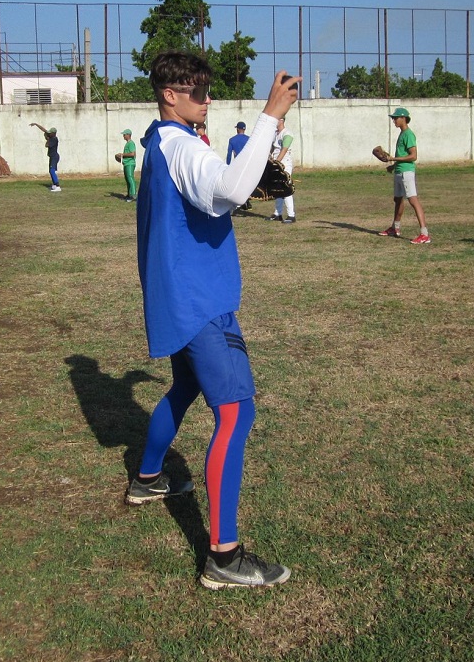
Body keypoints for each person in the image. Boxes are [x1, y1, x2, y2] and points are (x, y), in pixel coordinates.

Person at [127, 49, 299, 590]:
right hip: (201, 301)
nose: (207, 99)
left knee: (183, 387)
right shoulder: (179, 146)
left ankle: (148, 478)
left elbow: (219, 194)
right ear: (169, 95)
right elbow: (226, 190)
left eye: (208, 90)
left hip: (177, 295)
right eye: (197, 91)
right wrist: (270, 114)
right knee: (236, 413)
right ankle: (223, 556)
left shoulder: (159, 141)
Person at [376, 107, 431, 244]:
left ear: (403, 118)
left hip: (407, 172)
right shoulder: (402, 134)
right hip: (399, 170)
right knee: (398, 200)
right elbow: (402, 155)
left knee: (413, 200)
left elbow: (413, 156)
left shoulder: (408, 134)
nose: (393, 120)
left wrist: (392, 159)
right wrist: (393, 166)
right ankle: (395, 227)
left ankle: (424, 234)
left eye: (395, 118)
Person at [266, 117, 296, 224]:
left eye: (277, 120)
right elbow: (272, 148)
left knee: (285, 188)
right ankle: (277, 213)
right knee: (277, 188)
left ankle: (291, 215)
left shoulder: (287, 133)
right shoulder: (275, 134)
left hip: (284, 163)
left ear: (282, 120)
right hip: (276, 163)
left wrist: (277, 161)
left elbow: (284, 148)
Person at [226, 122, 252, 212]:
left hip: (238, 164)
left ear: (237, 129)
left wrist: (228, 165)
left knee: (238, 183)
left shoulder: (232, 140)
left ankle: (240, 202)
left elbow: (229, 154)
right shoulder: (249, 139)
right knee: (247, 183)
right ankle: (247, 200)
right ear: (244, 129)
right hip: (247, 164)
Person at [29, 123, 61, 191]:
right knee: (50, 171)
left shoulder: (54, 139)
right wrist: (36, 124)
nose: (49, 134)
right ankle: (54, 185)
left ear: (53, 133)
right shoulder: (51, 137)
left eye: (50, 133)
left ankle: (57, 186)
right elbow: (44, 130)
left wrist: (47, 138)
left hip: (54, 157)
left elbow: (47, 145)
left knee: (52, 171)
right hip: (52, 156)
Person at [118, 129, 138, 202]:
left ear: (128, 135)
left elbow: (133, 154)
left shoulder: (131, 143)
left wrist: (123, 154)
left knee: (130, 178)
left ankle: (133, 195)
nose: (123, 136)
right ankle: (129, 194)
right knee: (127, 179)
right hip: (126, 163)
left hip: (130, 164)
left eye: (124, 134)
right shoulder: (127, 143)